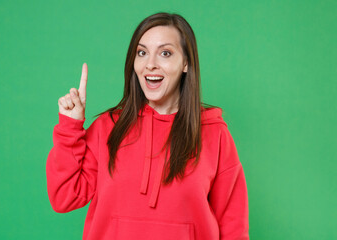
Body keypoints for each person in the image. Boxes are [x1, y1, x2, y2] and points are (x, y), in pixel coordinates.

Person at [46, 12, 249, 240]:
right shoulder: (108, 128)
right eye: (142, 53)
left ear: (185, 63)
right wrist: (69, 127)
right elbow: (64, 197)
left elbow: (233, 228)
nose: (150, 64)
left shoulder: (215, 133)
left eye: (165, 53)